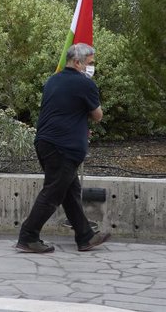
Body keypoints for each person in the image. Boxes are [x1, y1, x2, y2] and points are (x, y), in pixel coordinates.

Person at [17, 43, 110, 253]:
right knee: (53, 193)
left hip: (46, 142)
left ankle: (85, 236)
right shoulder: (85, 84)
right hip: (63, 147)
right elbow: (98, 116)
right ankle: (28, 236)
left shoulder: (53, 80)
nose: (91, 67)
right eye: (90, 63)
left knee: (70, 192)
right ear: (77, 62)